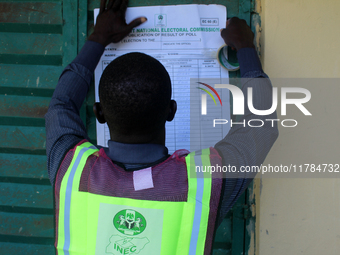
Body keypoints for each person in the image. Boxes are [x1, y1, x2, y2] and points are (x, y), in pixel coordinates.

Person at [45, 0, 278, 254]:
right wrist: (245, 47)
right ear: (171, 111)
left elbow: (61, 104)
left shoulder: (70, 168)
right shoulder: (204, 183)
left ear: (99, 113)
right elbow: (261, 125)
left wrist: (99, 37)